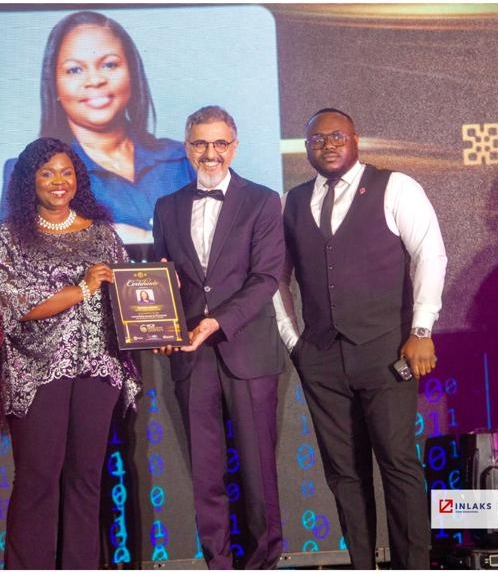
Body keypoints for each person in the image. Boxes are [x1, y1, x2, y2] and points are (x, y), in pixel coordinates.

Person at [274, 108, 447, 569]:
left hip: (387, 350)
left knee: (397, 462)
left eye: (337, 136)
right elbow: (275, 278)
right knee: (344, 474)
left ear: (356, 140)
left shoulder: (396, 187)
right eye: (317, 139)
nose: (328, 145)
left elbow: (430, 255)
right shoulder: (291, 202)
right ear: (306, 148)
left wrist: (421, 330)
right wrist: (294, 342)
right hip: (321, 358)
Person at [0, 137, 141, 569]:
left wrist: (160, 300)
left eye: (67, 172)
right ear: (29, 180)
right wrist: (83, 288)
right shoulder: (10, 237)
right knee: (37, 479)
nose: (59, 181)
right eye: (47, 172)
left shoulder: (102, 233)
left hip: (98, 368)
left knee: (86, 479)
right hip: (37, 370)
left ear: (78, 179)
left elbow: (129, 295)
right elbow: (18, 304)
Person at [152, 105, 286, 569]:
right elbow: (165, 278)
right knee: (206, 472)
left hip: (247, 348)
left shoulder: (263, 201)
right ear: (187, 147)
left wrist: (217, 321)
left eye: (220, 143)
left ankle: (263, 563)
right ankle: (219, 563)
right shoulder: (166, 207)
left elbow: (266, 278)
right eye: (200, 143)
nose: (210, 153)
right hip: (190, 354)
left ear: (235, 146)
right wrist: (162, 317)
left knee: (258, 472)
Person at [0, 10, 195, 243]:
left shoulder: (185, 159)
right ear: (54, 85)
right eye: (75, 70)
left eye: (109, 65)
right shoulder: (26, 173)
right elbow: (20, 258)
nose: (94, 80)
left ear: (132, 73)